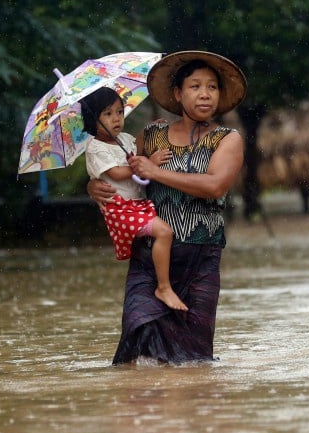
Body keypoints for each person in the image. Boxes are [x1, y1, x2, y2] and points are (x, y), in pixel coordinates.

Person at [87, 51, 247, 364]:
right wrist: (93, 185)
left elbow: (215, 185)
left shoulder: (227, 139)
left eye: (212, 87)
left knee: (193, 359)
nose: (204, 94)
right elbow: (120, 170)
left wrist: (156, 172)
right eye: (195, 86)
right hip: (149, 256)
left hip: (201, 258)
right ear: (177, 93)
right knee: (139, 346)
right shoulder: (150, 135)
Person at [81, 87, 187, 312]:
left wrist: (149, 130)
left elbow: (136, 146)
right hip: (121, 209)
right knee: (165, 232)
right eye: (108, 114)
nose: (116, 118)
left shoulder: (124, 139)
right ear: (93, 119)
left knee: (159, 238)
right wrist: (150, 163)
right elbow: (118, 173)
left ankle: (162, 283)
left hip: (136, 205)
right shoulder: (95, 148)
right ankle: (164, 287)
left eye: (119, 112)